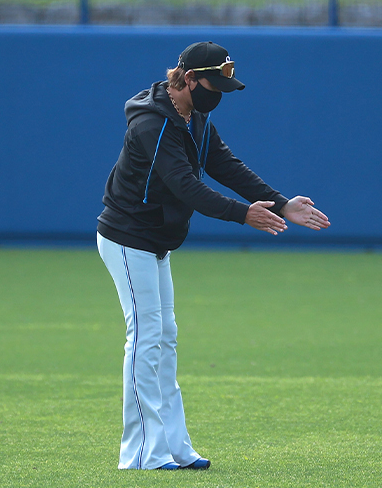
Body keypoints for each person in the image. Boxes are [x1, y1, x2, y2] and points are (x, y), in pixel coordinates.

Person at [96, 41, 330, 470]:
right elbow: (187, 186)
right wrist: (244, 214)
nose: (218, 94)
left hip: (156, 240)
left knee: (165, 339)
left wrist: (279, 204)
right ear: (188, 79)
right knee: (145, 340)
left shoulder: (195, 115)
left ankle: (175, 447)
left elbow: (224, 164)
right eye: (213, 84)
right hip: (127, 238)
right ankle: (142, 453)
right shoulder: (153, 124)